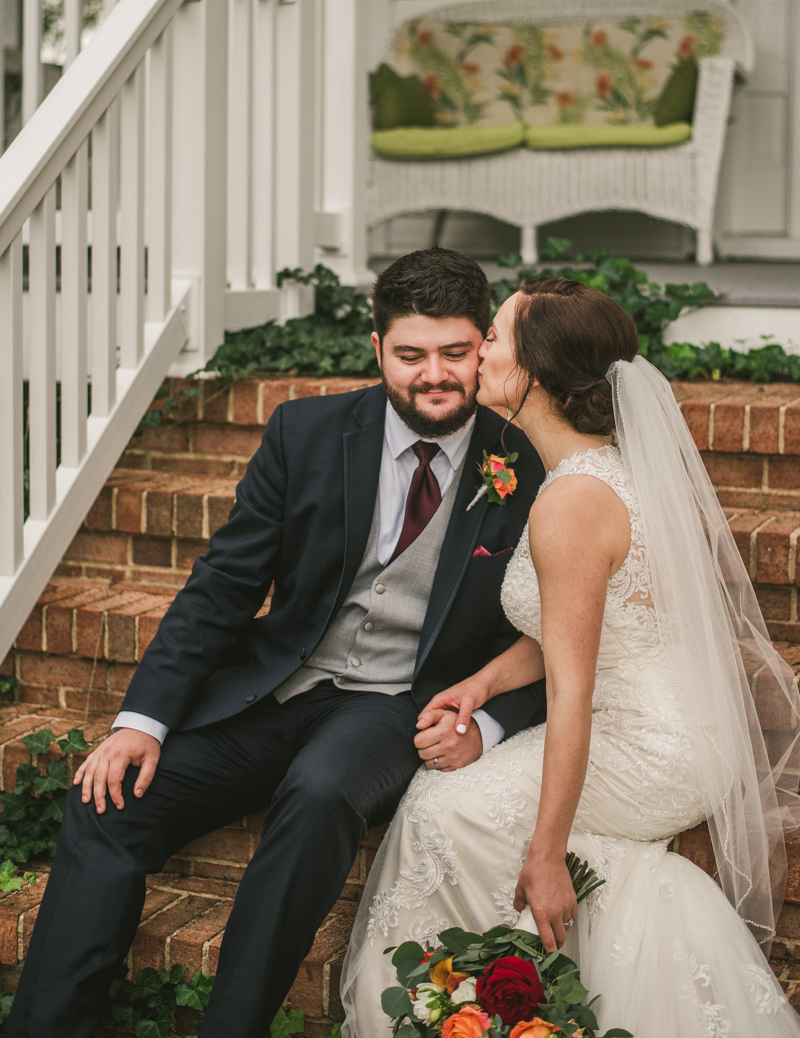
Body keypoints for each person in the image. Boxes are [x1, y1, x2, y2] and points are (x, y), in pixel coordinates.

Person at [6, 249, 547, 1038]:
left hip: (396, 704)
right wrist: (141, 720)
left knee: (322, 790)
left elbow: (565, 633)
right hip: (278, 685)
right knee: (108, 797)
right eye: (410, 354)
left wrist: (488, 725)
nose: (435, 374)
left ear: (484, 346)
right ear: (376, 349)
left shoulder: (526, 459)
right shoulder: (309, 430)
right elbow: (224, 583)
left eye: (455, 352)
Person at [342, 277, 800, 1038]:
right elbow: (572, 629)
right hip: (673, 721)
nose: (477, 352)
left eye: (492, 338)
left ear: (536, 372)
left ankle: (473, 1009)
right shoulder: (598, 469)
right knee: (451, 802)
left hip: (652, 747)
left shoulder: (571, 503)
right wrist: (481, 683)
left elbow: (574, 689)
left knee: (441, 811)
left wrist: (549, 854)